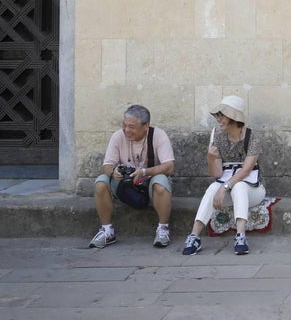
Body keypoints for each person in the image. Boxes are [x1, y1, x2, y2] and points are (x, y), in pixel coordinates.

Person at [182, 95, 266, 255]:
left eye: (222, 115)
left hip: (253, 190)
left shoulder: (252, 137)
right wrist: (210, 158)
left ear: (233, 117)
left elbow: (246, 170)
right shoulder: (218, 138)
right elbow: (217, 173)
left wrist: (225, 187)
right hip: (227, 190)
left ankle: (241, 236)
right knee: (213, 187)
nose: (218, 119)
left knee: (239, 186)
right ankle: (194, 236)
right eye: (217, 116)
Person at [90, 105, 176, 249]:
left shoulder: (158, 135)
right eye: (124, 125)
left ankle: (163, 229)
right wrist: (114, 172)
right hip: (125, 184)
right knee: (101, 182)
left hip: (149, 183)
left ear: (146, 126)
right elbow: (106, 166)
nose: (127, 130)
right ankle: (107, 231)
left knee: (161, 182)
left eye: (131, 127)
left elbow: (170, 166)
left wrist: (145, 172)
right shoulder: (118, 136)